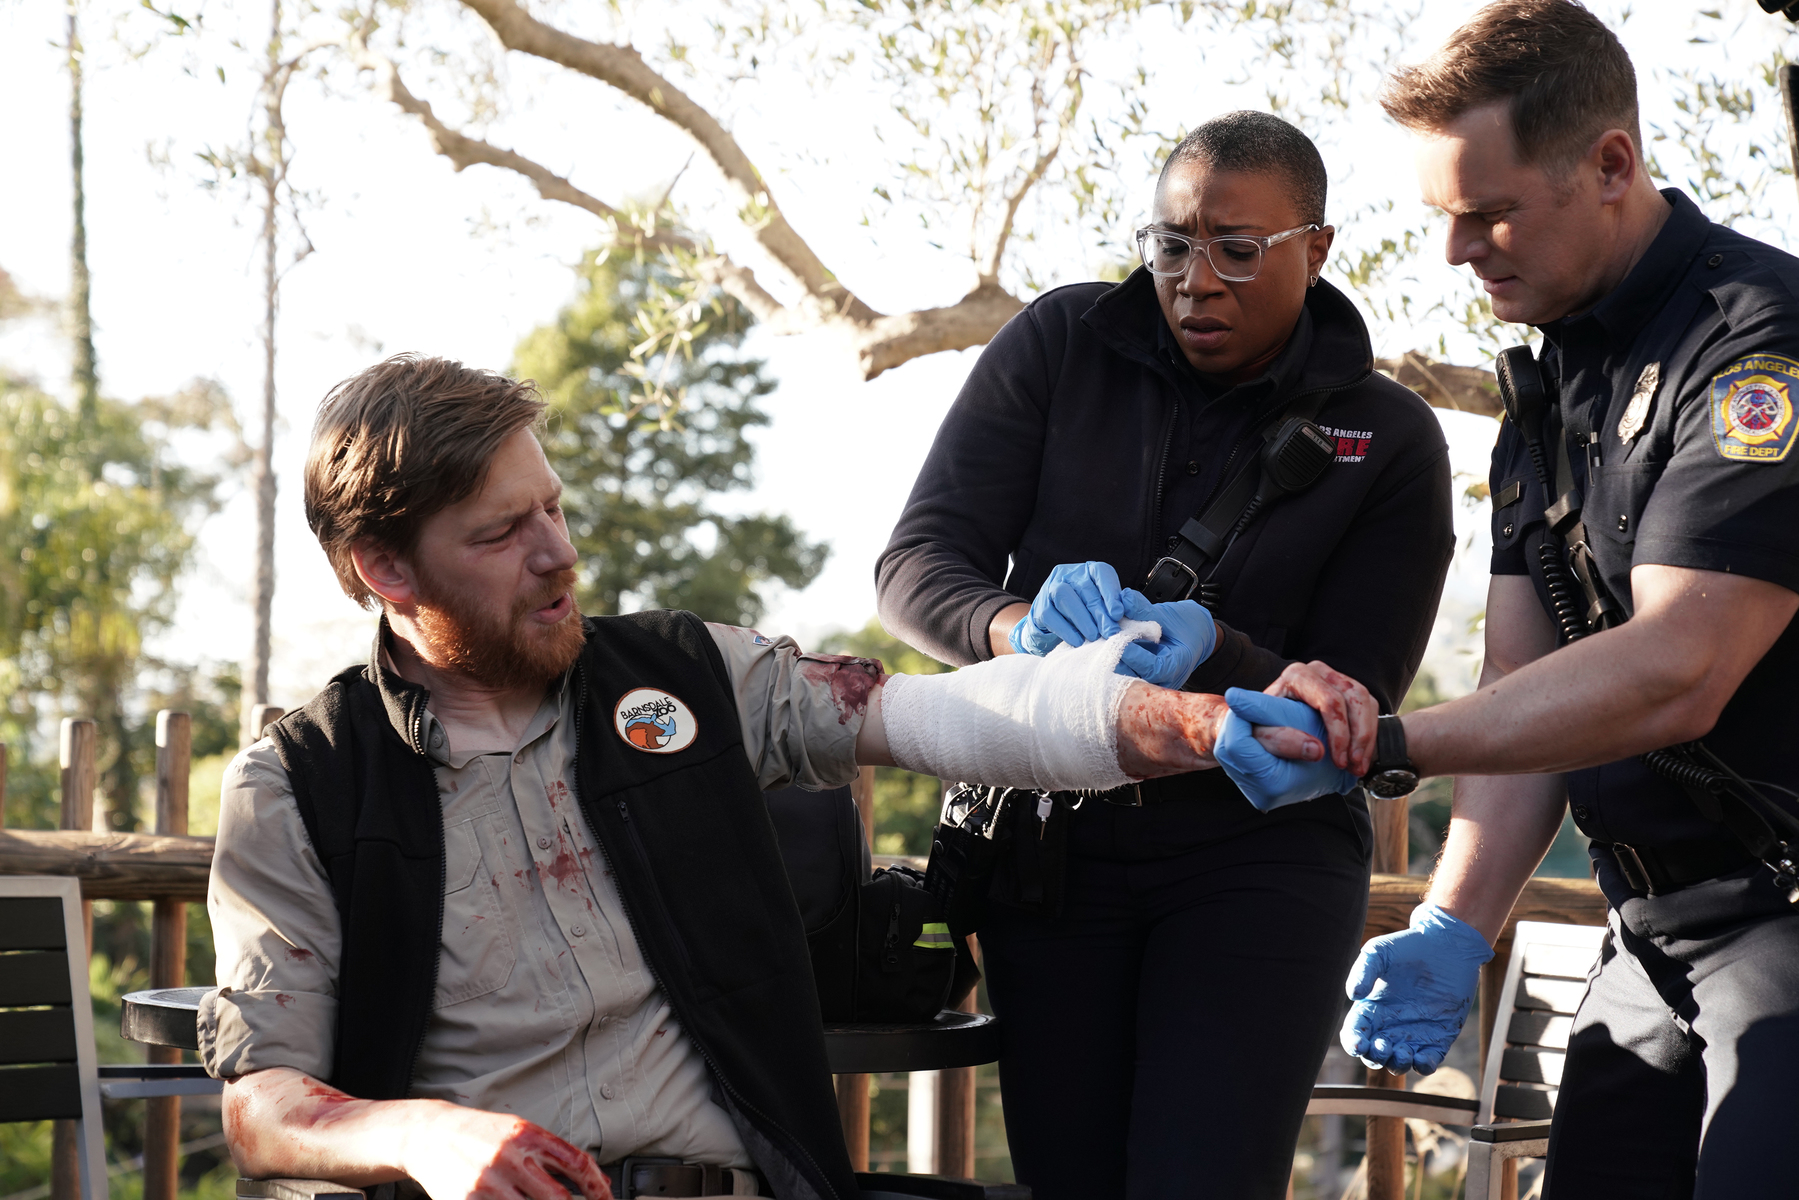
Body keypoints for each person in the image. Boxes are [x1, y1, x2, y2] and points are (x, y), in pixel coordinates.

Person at [202, 354, 1328, 1200]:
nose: (556, 553)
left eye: (552, 507)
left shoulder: (686, 678)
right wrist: (422, 1135)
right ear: (385, 568)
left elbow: (941, 714)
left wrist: (1193, 718)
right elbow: (264, 1108)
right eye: (501, 533)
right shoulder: (301, 784)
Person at [1221, 3, 1799, 1196]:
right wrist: (1451, 922)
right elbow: (1519, 695)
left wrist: (1381, 743)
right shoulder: (1544, 393)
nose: (1454, 250)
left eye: (1485, 212)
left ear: (1609, 164)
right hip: (1648, 931)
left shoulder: (1755, 348)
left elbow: (1680, 665)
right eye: (1441, 215)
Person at [876, 112, 1454, 1199]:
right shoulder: (1059, 345)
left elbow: (1353, 691)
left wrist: (1213, 651)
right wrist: (1017, 630)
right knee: (1068, 1179)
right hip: (1055, 846)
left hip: (1258, 861)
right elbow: (914, 567)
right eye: (1170, 245)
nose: (1196, 280)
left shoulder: (1389, 438)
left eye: (1237, 250)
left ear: (1315, 249)